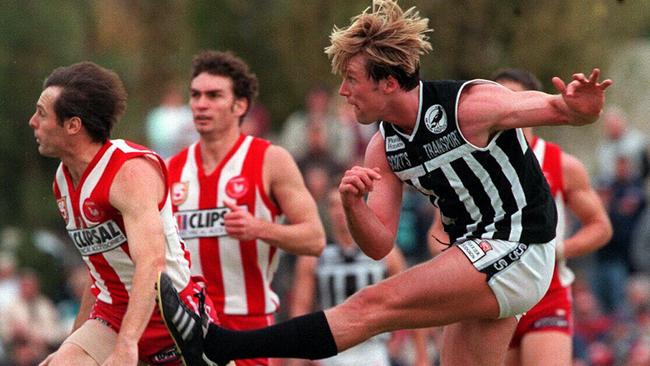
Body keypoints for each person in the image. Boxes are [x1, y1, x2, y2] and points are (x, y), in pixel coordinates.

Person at [156, 1, 612, 365]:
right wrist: (354, 206)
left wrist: (585, 106)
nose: (343, 91)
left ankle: (219, 346)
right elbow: (378, 245)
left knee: (374, 304)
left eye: (351, 79)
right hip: (480, 256)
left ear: (389, 82)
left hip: (520, 248)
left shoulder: (468, 106)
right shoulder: (383, 146)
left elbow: (563, 110)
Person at [28, 61, 218, 366]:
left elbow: (151, 262)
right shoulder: (63, 180)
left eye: (41, 113)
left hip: (169, 315)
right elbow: (99, 270)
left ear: (73, 125)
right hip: (112, 315)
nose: (32, 122)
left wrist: (128, 344)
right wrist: (73, 344)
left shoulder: (129, 172)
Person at [166, 50, 325, 366]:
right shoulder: (171, 169)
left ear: (240, 105)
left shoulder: (269, 160)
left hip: (247, 324)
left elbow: (315, 239)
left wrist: (259, 228)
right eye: (195, 95)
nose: (201, 104)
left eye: (214, 95)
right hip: (185, 325)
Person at [493, 68, 612, 366]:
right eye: (498, 99)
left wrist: (558, 250)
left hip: (547, 292)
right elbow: (439, 233)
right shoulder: (476, 164)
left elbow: (600, 226)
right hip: (495, 296)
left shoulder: (561, 163)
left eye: (513, 98)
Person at [285, 187, 428, 366]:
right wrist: (297, 358)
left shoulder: (387, 254)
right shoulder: (314, 256)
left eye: (343, 204)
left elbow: (411, 302)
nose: (339, 211)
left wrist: (421, 355)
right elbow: (301, 307)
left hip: (374, 350)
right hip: (330, 350)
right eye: (333, 205)